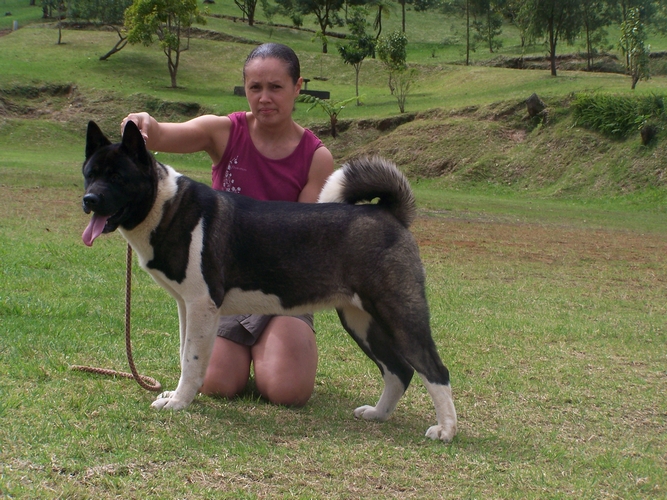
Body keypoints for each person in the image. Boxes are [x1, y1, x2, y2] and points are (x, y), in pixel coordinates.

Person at [121, 43, 335, 407]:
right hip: (222, 287)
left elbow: (303, 243)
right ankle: (241, 353)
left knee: (287, 391)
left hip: (280, 288)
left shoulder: (317, 157)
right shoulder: (223, 131)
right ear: (245, 89)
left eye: (276, 87)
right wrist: (143, 125)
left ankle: (271, 351)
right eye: (255, 88)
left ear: (298, 86)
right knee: (217, 384)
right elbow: (161, 136)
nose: (264, 98)